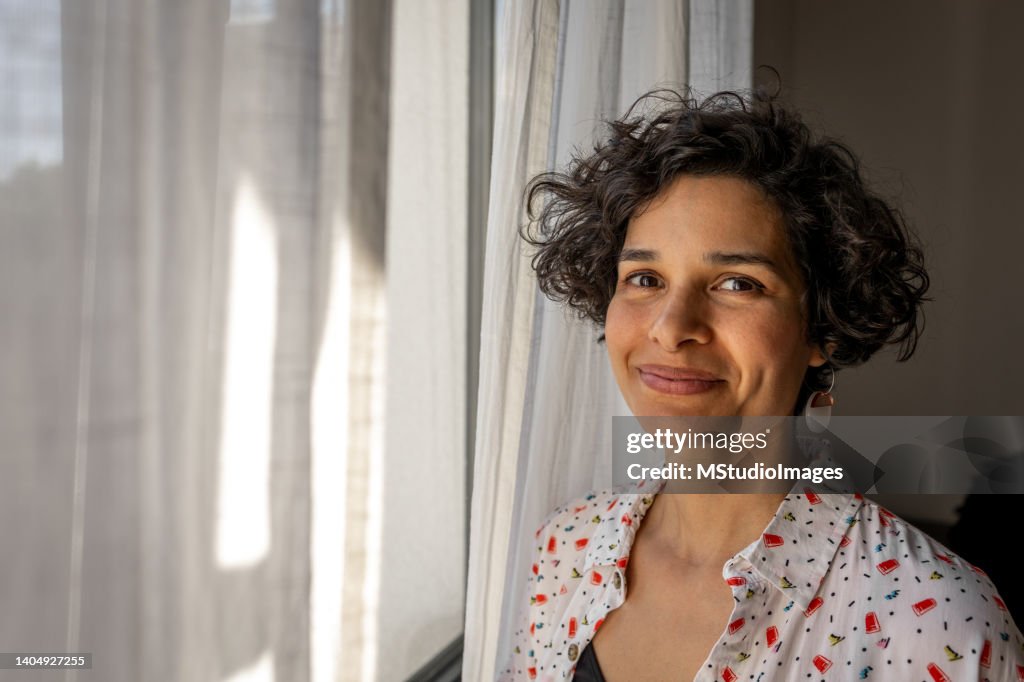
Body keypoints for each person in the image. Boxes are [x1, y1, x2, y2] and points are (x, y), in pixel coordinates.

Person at [499, 88, 1024, 681]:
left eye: (737, 284)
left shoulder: (939, 623)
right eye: (644, 277)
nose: (672, 330)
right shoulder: (562, 550)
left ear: (821, 326)